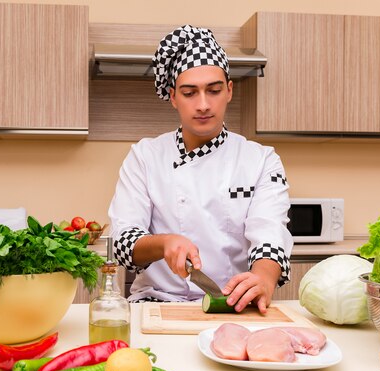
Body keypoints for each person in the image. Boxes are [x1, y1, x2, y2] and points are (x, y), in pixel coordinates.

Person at [108, 25, 293, 313]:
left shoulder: (261, 159)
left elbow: (269, 234)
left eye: (214, 90)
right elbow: (123, 242)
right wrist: (164, 243)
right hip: (156, 303)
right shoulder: (145, 156)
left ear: (229, 91)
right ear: (173, 97)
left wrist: (263, 278)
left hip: (234, 304)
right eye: (189, 92)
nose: (203, 104)